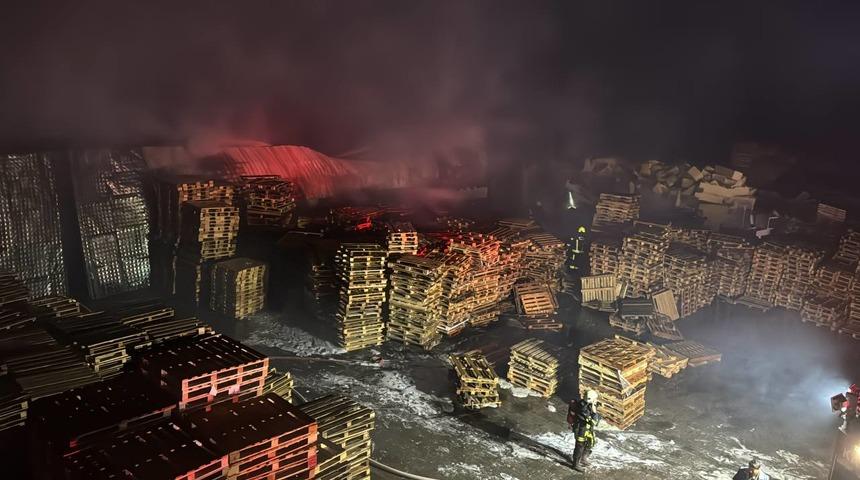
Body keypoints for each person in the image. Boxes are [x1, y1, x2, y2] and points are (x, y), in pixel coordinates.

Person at [567, 389, 601, 472]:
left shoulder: (587, 404)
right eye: (595, 399)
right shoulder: (583, 408)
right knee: (579, 446)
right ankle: (575, 464)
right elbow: (594, 421)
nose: (596, 400)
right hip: (581, 430)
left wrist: (594, 407)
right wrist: (594, 411)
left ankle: (583, 458)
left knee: (590, 442)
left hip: (587, 429)